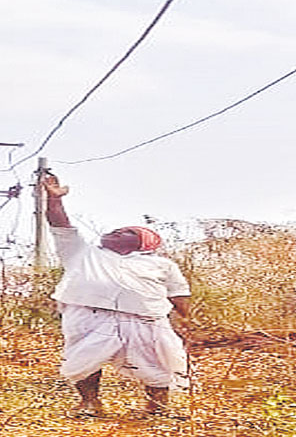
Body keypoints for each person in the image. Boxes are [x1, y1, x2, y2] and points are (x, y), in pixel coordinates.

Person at [40, 171, 191, 418]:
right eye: (117, 229)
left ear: (143, 244)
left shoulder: (162, 264)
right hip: (89, 315)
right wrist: (55, 200)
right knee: (84, 360)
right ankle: (90, 404)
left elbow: (178, 292)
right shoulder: (83, 252)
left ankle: (158, 408)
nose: (117, 232)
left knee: (158, 362)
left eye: (127, 232)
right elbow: (60, 225)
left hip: (146, 320)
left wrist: (186, 320)